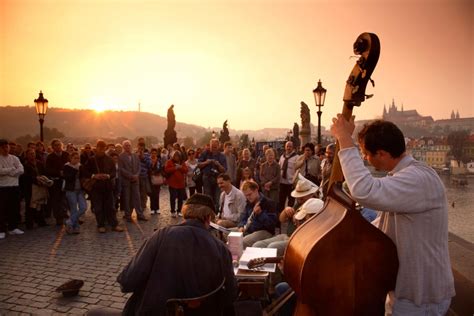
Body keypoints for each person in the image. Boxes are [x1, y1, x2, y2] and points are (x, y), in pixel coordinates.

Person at [330, 116, 455, 315]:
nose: (364, 158)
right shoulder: (405, 176)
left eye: (365, 154)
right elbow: (387, 224)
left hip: (421, 299)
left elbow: (364, 190)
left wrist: (345, 140)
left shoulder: (418, 179)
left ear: (381, 153)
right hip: (408, 293)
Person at [117, 193, 238, 315]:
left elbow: (127, 281)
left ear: (185, 214)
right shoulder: (220, 248)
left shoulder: (161, 235)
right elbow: (230, 294)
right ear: (208, 218)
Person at [83, 140, 124, 233]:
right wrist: (94, 176)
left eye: (103, 148)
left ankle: (114, 224)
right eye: (99, 148)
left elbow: (114, 172)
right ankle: (100, 225)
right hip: (96, 187)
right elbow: (85, 171)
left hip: (108, 186)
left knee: (111, 207)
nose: (101, 150)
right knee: (98, 207)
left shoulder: (109, 159)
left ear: (105, 148)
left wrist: (108, 176)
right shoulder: (91, 160)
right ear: (96, 148)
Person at [238, 180, 278, 248]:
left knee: (243, 241)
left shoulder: (268, 203)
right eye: (246, 195)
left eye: (250, 194)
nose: (248, 197)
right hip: (249, 228)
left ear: (256, 190)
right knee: (229, 234)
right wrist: (241, 226)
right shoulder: (249, 203)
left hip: (264, 231)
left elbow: (272, 224)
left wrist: (260, 214)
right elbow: (243, 217)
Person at [0, 139, 25, 239]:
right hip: (2, 187)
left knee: (14, 208)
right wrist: (12, 170)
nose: (6, 149)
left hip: (14, 186)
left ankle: (13, 228)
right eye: (3, 147)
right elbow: (0, 171)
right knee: (2, 209)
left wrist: (9, 172)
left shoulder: (14, 158)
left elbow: (21, 170)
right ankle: (1, 229)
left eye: (7, 147)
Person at [119, 140, 147, 222]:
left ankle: (140, 214)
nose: (128, 147)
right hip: (126, 181)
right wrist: (130, 176)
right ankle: (128, 215)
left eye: (129, 145)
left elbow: (139, 166)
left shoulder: (135, 155)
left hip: (135, 180)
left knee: (137, 198)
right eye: (126, 145)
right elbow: (121, 169)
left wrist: (137, 175)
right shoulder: (121, 156)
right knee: (127, 198)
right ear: (123, 147)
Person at [45, 139, 70, 226]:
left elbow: (71, 164)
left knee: (65, 199)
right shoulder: (50, 157)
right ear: (53, 147)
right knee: (56, 200)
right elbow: (47, 170)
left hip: (66, 180)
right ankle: (58, 218)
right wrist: (58, 172)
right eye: (56, 145)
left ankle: (64, 213)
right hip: (55, 181)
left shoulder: (66, 155)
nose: (58, 147)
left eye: (59, 145)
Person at [197, 139, 227, 210]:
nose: (213, 148)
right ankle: (208, 214)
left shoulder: (221, 156)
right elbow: (198, 165)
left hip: (218, 178)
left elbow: (224, 170)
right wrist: (206, 162)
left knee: (217, 197)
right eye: (212, 146)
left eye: (215, 147)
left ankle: (216, 214)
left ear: (218, 146)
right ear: (210, 146)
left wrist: (218, 165)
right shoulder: (205, 153)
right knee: (208, 197)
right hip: (207, 177)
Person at [63, 152, 86, 234]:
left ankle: (69, 221)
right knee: (73, 209)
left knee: (83, 207)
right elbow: (67, 177)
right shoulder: (67, 166)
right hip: (71, 190)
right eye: (75, 158)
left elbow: (83, 177)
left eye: (78, 158)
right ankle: (75, 227)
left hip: (80, 190)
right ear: (71, 158)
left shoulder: (80, 166)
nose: (77, 160)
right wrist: (75, 171)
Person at [165, 150, 188, 218]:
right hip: (172, 184)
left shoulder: (182, 163)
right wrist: (175, 168)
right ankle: (172, 211)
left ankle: (179, 211)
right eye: (175, 156)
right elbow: (166, 170)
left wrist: (180, 167)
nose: (176, 157)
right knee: (173, 198)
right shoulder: (169, 162)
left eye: (178, 156)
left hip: (181, 184)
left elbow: (186, 170)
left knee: (180, 198)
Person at [278, 141, 298, 210]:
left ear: (293, 147)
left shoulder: (296, 157)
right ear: (285, 147)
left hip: (291, 183)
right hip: (282, 183)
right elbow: (279, 168)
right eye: (287, 146)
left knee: (291, 202)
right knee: (281, 201)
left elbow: (298, 171)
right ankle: (281, 217)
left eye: (290, 146)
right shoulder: (282, 157)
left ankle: (289, 218)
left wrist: (295, 182)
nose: (288, 148)